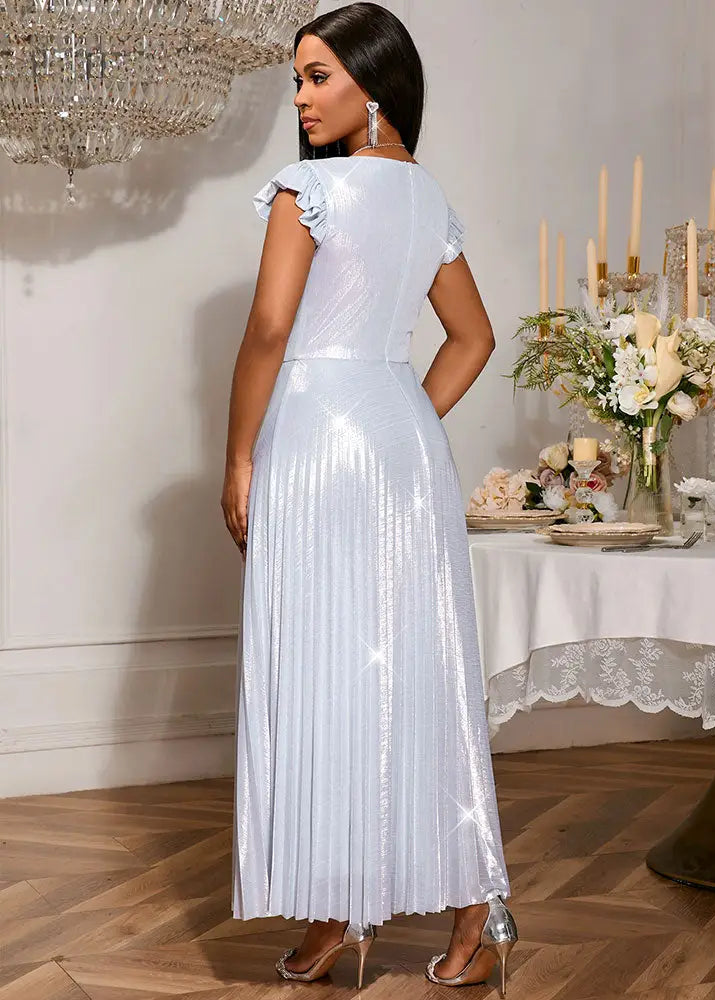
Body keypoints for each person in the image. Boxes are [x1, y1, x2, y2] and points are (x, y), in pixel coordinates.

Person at [221, 2, 517, 992]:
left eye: (318, 76)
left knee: (324, 665)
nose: (301, 99)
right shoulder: (427, 198)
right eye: (297, 80)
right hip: (401, 442)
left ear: (374, 83)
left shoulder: (306, 190)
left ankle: (340, 904)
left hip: (316, 439)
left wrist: (238, 457)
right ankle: (458, 911)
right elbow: (473, 337)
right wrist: (408, 420)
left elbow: (269, 330)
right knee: (418, 669)